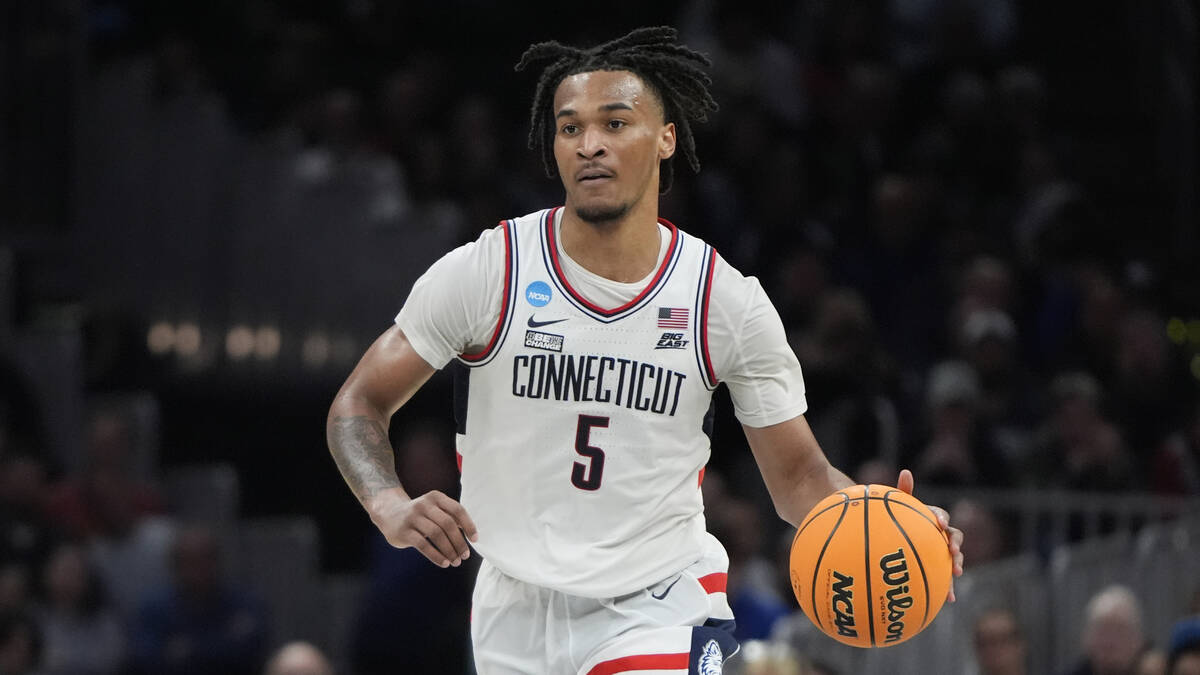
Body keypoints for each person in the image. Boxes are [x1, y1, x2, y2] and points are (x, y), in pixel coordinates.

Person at [326, 26, 963, 674]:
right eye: (569, 128)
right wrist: (388, 503)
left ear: (666, 138)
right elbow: (360, 401)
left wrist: (885, 525)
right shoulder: (491, 271)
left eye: (615, 121)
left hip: (658, 602)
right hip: (510, 607)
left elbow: (799, 476)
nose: (590, 143)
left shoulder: (723, 300)